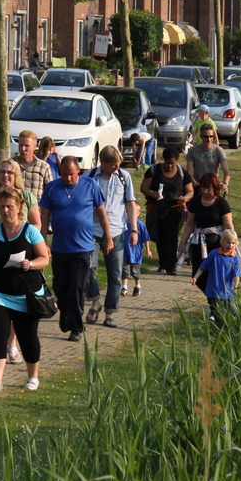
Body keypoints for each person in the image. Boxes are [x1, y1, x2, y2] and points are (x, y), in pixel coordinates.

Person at [0, 188, 49, 393]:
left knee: (27, 336)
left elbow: (44, 258)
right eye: (2, 207)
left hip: (26, 293)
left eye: (10, 207)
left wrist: (30, 264)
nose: (6, 211)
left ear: (20, 207)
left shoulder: (30, 231)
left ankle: (32, 376)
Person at [39, 155, 111, 343]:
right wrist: (43, 242)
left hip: (83, 248)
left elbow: (102, 212)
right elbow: (45, 216)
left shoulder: (90, 185)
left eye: (71, 174)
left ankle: (76, 328)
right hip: (60, 247)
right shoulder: (52, 188)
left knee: (78, 287)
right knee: (60, 286)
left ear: (78, 171)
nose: (68, 178)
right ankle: (65, 313)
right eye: (64, 174)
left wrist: (108, 237)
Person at [86, 145, 137, 328]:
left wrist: (134, 229)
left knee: (115, 274)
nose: (117, 168)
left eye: (118, 164)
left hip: (116, 231)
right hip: (92, 230)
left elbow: (130, 203)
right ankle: (95, 303)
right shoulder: (89, 176)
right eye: (113, 165)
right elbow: (80, 201)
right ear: (103, 162)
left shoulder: (124, 177)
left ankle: (110, 313)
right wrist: (88, 209)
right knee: (88, 268)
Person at [140, 146, 191, 274]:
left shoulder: (182, 173)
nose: (169, 166)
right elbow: (143, 187)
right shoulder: (154, 170)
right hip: (157, 209)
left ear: (176, 161)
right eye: (167, 163)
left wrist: (184, 199)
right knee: (160, 237)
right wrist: (152, 193)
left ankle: (171, 266)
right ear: (163, 160)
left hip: (175, 210)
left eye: (172, 163)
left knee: (172, 237)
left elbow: (190, 191)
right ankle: (162, 263)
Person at [177, 173, 234, 278]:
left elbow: (228, 225)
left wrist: (232, 244)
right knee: (198, 275)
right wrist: (183, 243)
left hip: (217, 245)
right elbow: (190, 223)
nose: (206, 192)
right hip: (198, 243)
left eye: (209, 189)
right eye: (203, 188)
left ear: (215, 188)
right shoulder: (196, 202)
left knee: (215, 274)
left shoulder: (222, 204)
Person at [191, 229, 241, 326]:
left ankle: (232, 328)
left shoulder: (235, 258)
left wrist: (235, 287)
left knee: (232, 312)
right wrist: (195, 277)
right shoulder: (214, 254)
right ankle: (219, 329)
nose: (230, 245)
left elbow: (236, 275)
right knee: (217, 313)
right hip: (213, 290)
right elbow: (203, 267)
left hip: (228, 291)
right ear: (222, 242)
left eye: (233, 243)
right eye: (228, 242)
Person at [186, 123, 230, 189]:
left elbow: (226, 172)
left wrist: (225, 184)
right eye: (206, 137)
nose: (209, 139)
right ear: (201, 136)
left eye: (211, 136)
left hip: (213, 187)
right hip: (198, 186)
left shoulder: (219, 150)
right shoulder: (193, 151)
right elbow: (189, 172)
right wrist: (196, 185)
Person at [15, 130, 56, 201]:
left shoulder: (43, 167)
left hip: (36, 207)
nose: (23, 149)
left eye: (26, 146)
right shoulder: (10, 165)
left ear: (35, 146)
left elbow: (51, 192)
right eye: (20, 145)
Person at [123, 213, 148, 298]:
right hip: (125, 252)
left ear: (138, 213)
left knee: (135, 272)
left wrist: (148, 250)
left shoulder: (140, 224)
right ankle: (124, 287)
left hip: (136, 253)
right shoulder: (124, 223)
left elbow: (146, 238)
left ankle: (137, 286)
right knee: (125, 270)